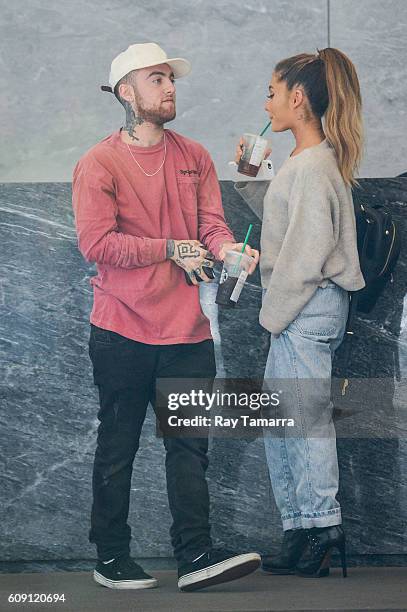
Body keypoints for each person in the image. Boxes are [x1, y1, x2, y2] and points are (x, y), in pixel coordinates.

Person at [72, 42, 260, 592]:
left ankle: (196, 556)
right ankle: (110, 557)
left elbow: (212, 224)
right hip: (120, 329)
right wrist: (170, 249)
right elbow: (97, 243)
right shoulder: (98, 162)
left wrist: (228, 251)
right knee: (118, 445)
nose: (170, 87)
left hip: (187, 331)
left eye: (171, 80)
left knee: (189, 447)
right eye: (157, 79)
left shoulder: (194, 156)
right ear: (127, 93)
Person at [235, 47, 365, 578]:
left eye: (271, 91)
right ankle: (302, 528)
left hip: (304, 311)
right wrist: (250, 175)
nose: (265, 102)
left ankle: (321, 526)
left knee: (305, 424)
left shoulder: (313, 165)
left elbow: (305, 255)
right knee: (286, 424)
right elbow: (283, 224)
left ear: (297, 98)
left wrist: (273, 315)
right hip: (305, 311)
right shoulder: (308, 161)